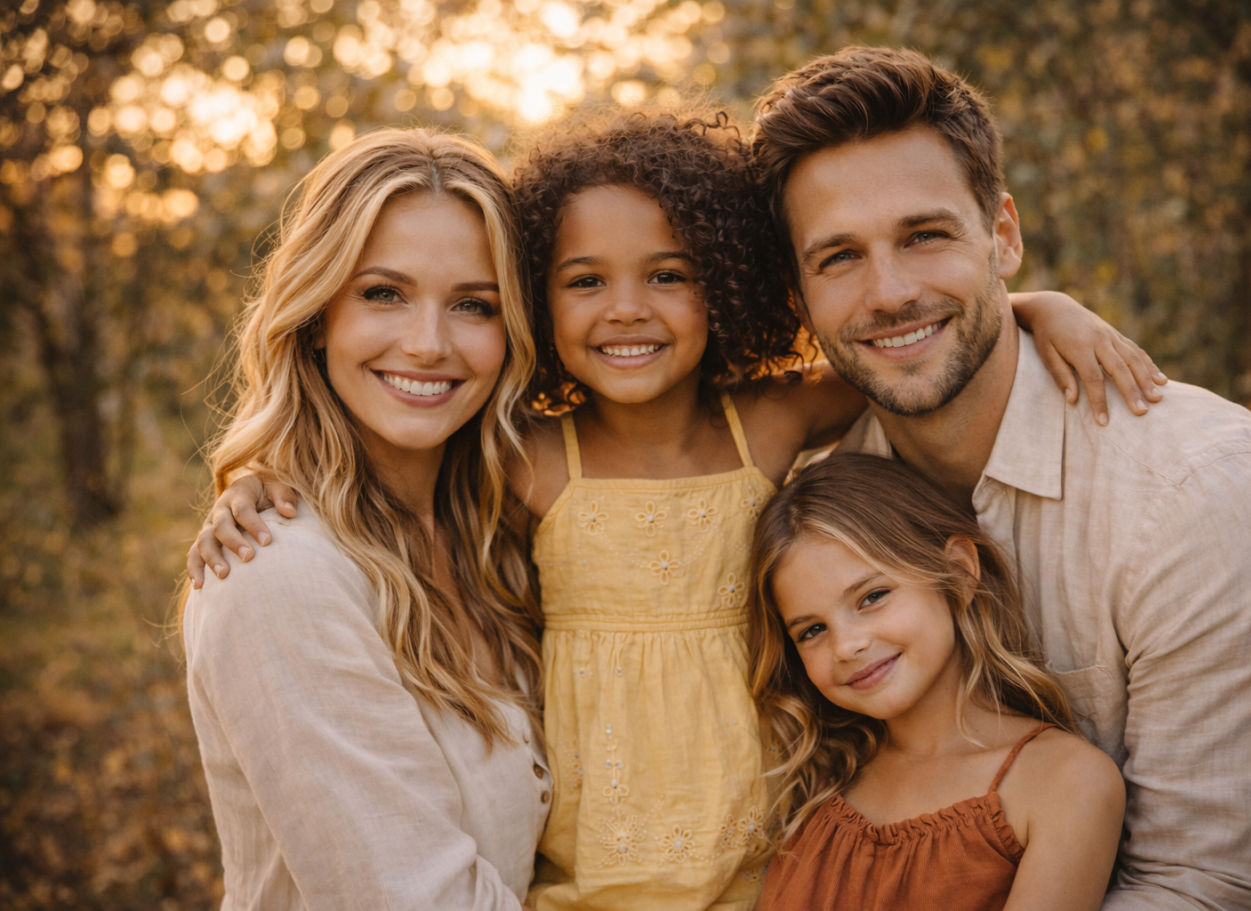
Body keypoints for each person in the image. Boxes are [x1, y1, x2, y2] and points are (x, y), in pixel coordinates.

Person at [188, 109, 1160, 910]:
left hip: (763, 851)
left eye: (474, 305)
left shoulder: (752, 425)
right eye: (384, 293)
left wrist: (1033, 306)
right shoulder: (507, 467)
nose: (626, 309)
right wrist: (262, 478)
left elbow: (895, 345)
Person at [749, 46, 1251, 909]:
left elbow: (1212, 891)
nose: (887, 292)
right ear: (801, 294)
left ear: (1003, 235)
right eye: (838, 257)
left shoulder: (1205, 497)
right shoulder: (830, 500)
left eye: (925, 236)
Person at [180, 128, 551, 910]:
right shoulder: (278, 574)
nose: (427, 344)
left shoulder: (506, 538)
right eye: (383, 293)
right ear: (317, 315)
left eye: (473, 305)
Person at [749, 453, 1125, 911]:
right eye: (811, 630)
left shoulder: (1064, 782)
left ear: (959, 573)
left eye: (872, 597)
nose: (845, 646)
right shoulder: (821, 781)